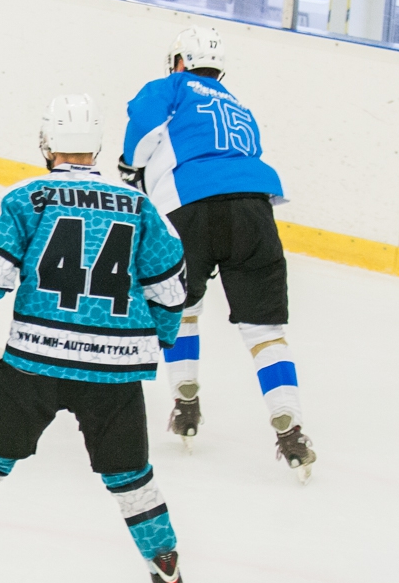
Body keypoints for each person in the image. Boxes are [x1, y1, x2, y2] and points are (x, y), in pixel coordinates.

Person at [0, 95, 190, 583]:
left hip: (33, 362)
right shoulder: (138, 205)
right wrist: (161, 337)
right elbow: (171, 286)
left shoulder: (28, 196)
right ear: (99, 146)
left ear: (46, 144)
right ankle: (168, 575)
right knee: (131, 476)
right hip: (113, 369)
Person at [119, 25, 316, 481]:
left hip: (191, 206)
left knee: (180, 304)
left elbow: (142, 124)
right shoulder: (241, 107)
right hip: (255, 209)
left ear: (181, 62)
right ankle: (291, 427)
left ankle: (185, 401)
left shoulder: (171, 86)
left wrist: (130, 167)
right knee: (265, 330)